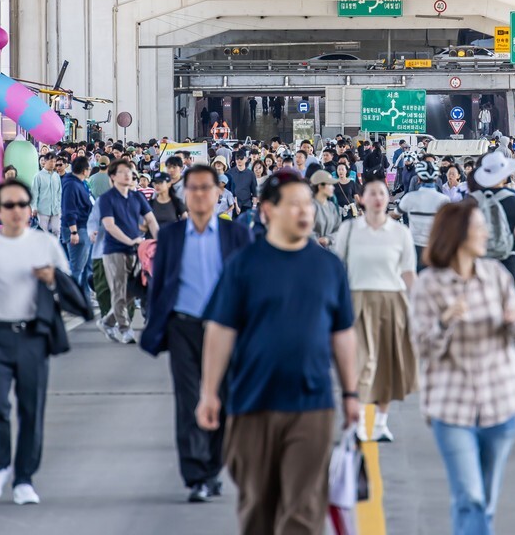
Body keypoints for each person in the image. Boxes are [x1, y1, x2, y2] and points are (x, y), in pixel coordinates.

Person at [196, 169, 360, 534]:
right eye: (294, 204)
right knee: (258, 509)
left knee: (303, 511)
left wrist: (350, 392)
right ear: (268, 209)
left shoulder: (329, 267)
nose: (305, 212)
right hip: (252, 404)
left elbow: (343, 334)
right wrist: (209, 392)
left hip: (312, 404)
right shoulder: (244, 265)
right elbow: (220, 330)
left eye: (308, 204)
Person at [411, 199, 515, 533]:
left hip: (499, 403)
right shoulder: (429, 284)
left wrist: (513, 321)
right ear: (457, 234)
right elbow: (422, 346)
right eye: (479, 227)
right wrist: (444, 322)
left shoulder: (494, 275)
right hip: (451, 407)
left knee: (486, 501)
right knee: (470, 497)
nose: (486, 233)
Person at [139, 164, 252, 503]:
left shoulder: (237, 235)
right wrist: (156, 324)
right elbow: (160, 285)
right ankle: (195, 475)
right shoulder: (172, 236)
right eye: (194, 188)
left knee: (224, 402)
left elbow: (248, 286)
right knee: (189, 402)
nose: (201, 194)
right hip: (183, 327)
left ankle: (213, 468)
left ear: (219, 193)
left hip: (226, 330)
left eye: (207, 187)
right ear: (184, 194)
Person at [0, 179, 71, 506]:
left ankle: (24, 478)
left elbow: (66, 291)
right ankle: (0, 465)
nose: (17, 211)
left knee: (31, 408)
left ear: (30, 208)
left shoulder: (46, 244)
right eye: (9, 206)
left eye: (22, 204)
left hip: (33, 336)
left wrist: (53, 279)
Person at [334, 178, 417, 442]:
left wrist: (419, 306)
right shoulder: (349, 229)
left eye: (382, 193)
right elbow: (337, 269)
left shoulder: (400, 232)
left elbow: (408, 273)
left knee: (388, 362)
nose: (378, 198)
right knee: (360, 362)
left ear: (388, 197)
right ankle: (357, 421)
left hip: (393, 301)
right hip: (356, 299)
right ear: (362, 199)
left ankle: (381, 423)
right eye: (372, 193)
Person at [96, 159, 159, 345]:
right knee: (119, 290)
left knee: (133, 291)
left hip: (137, 251)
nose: (128, 174)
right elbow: (109, 226)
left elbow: (152, 221)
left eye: (130, 171)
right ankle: (125, 329)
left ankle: (107, 322)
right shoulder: (107, 198)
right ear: (113, 176)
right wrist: (130, 240)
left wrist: (160, 241)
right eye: (123, 171)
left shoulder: (137, 197)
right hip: (114, 250)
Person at [398, 162, 451, 270]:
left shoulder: (409, 197)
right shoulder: (444, 200)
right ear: (436, 179)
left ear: (418, 179)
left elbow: (394, 215)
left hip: (414, 247)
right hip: (436, 246)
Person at [61, 156, 96, 301]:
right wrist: (73, 231)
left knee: (87, 265)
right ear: (84, 170)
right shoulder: (71, 185)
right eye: (88, 168)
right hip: (77, 229)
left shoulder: (80, 183)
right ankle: (71, 299)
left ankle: (85, 297)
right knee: (77, 267)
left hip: (84, 227)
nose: (89, 171)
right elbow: (69, 210)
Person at [30, 153, 63, 237]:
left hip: (56, 209)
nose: (53, 164)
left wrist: (60, 206)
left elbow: (59, 193)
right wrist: (34, 208)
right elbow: (34, 193)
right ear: (45, 161)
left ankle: (54, 249)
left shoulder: (56, 176)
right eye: (50, 161)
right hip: (42, 210)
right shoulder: (38, 176)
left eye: (54, 161)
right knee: (43, 233)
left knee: (57, 231)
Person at [309, 169, 343, 249]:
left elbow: (338, 229)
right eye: (330, 184)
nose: (333, 188)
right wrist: (317, 241)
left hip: (330, 251)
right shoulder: (309, 206)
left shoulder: (332, 206)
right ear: (320, 186)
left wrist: (328, 239)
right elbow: (304, 230)